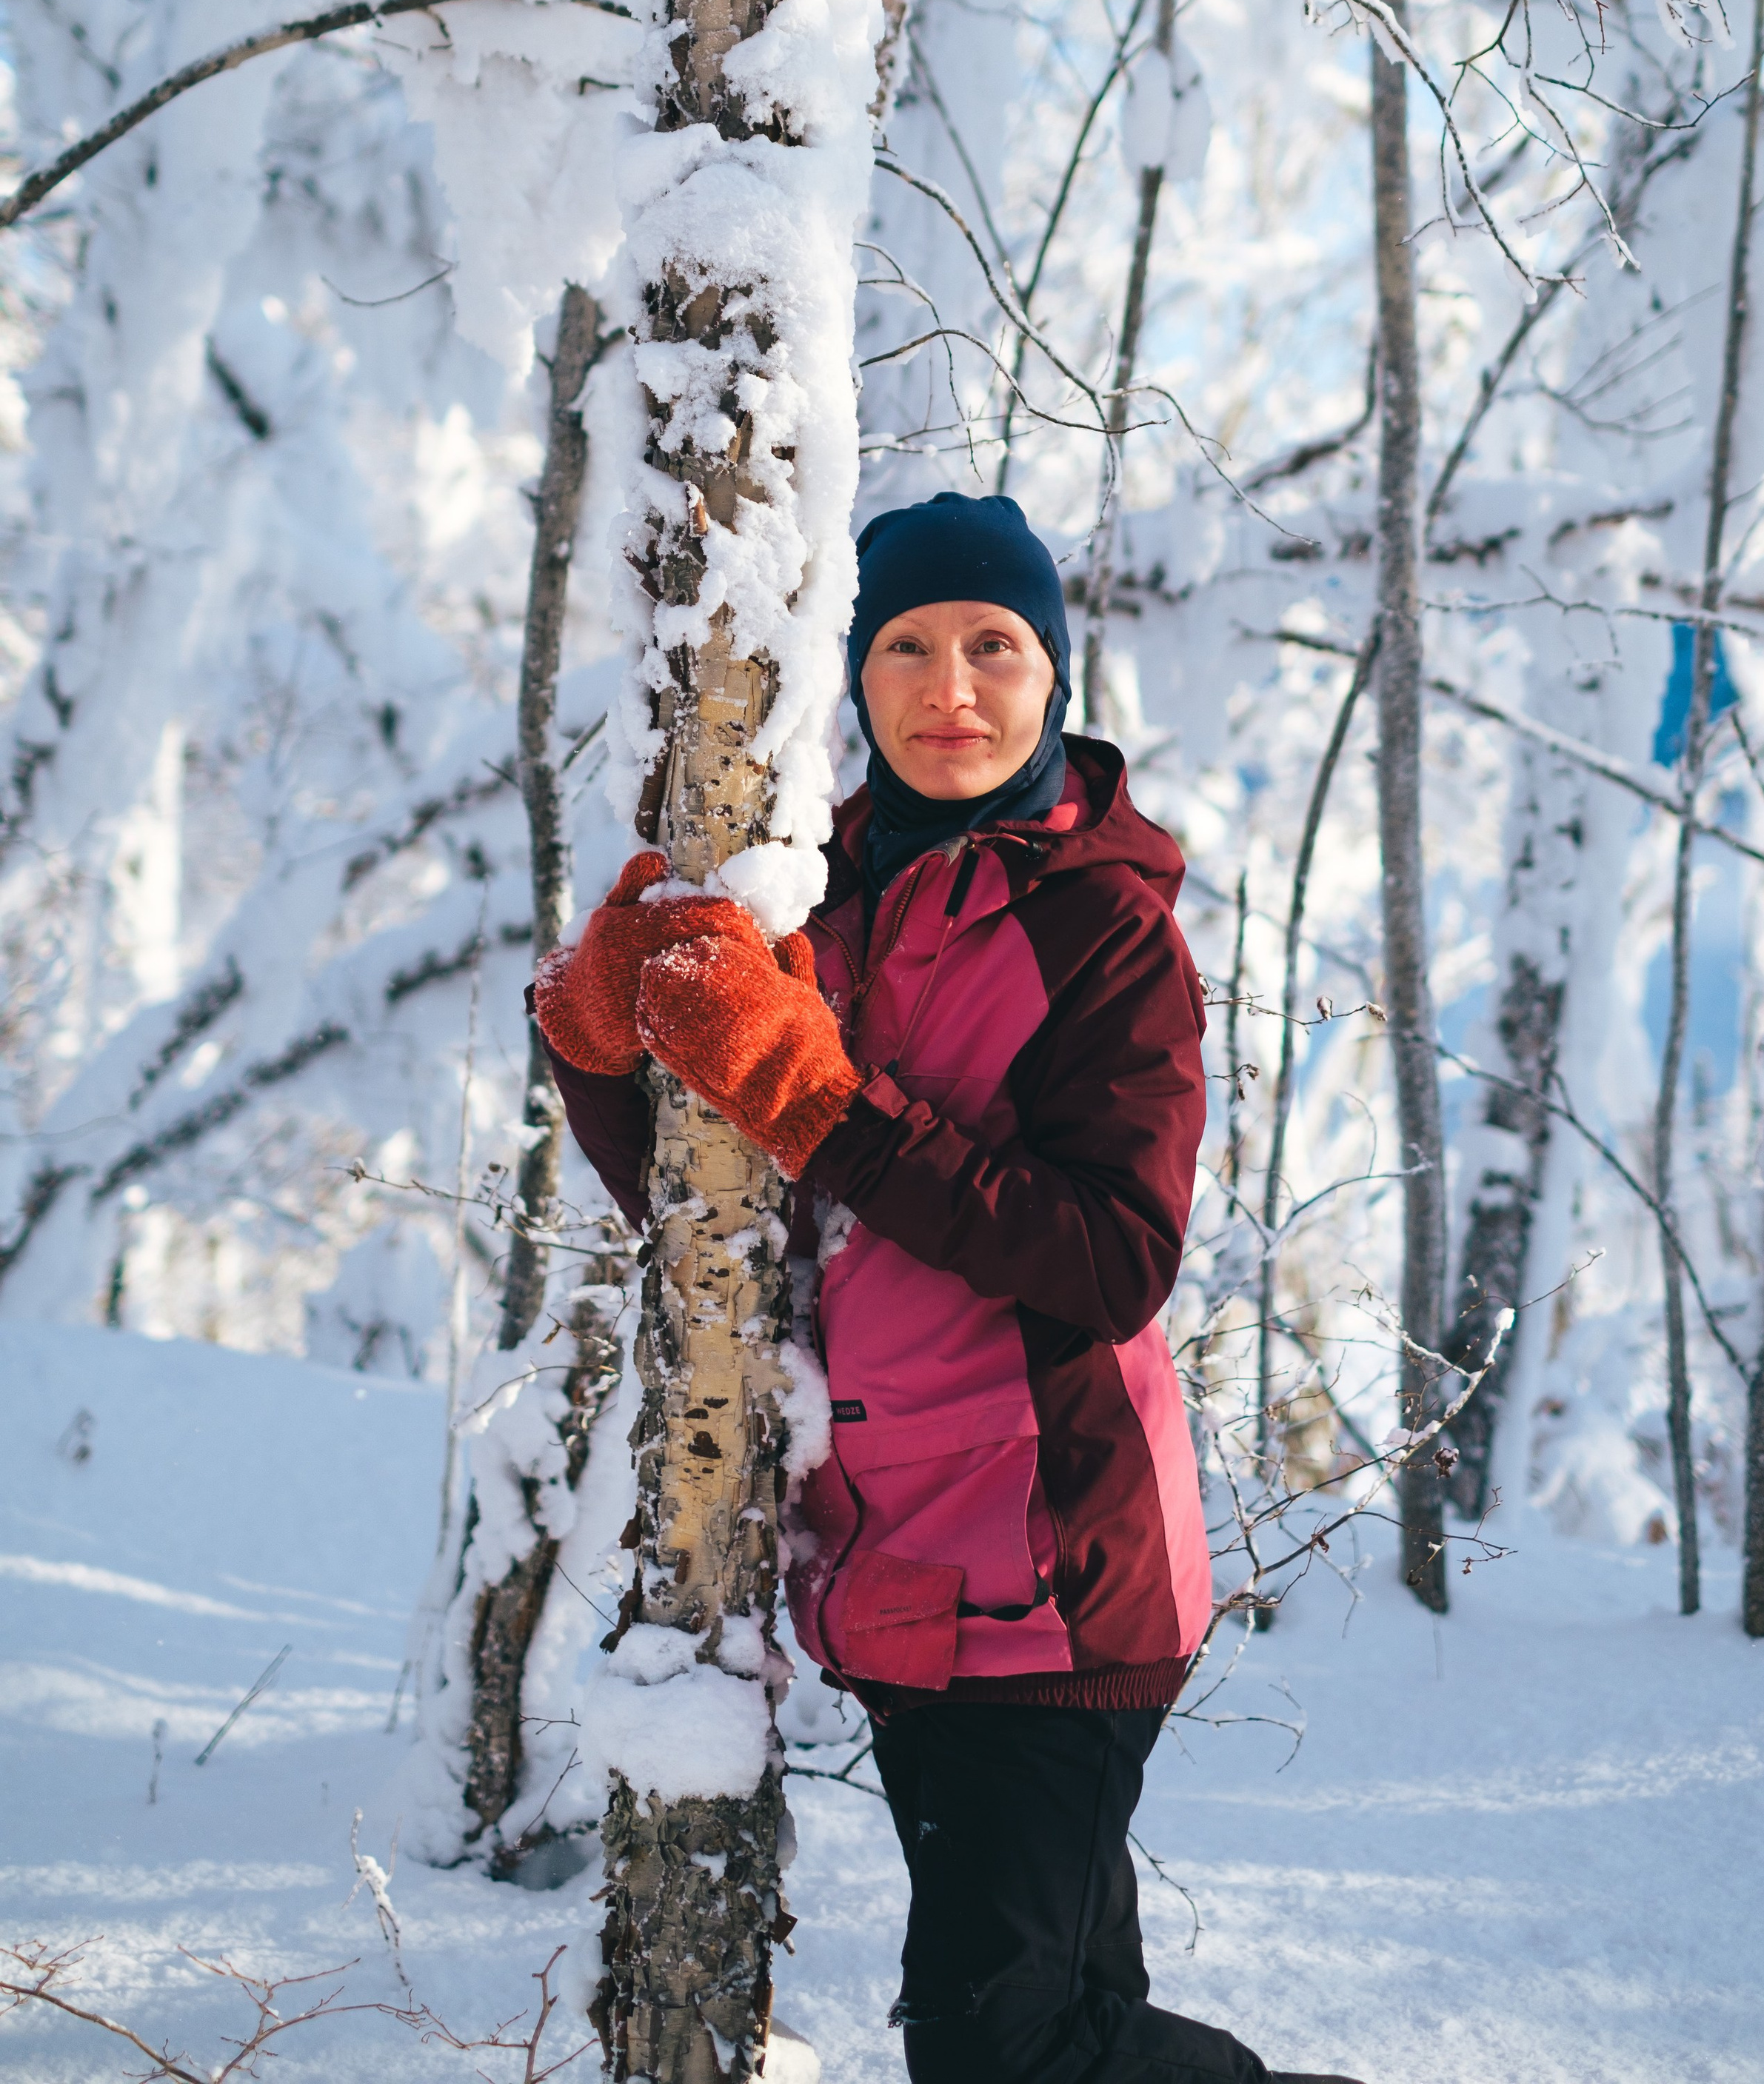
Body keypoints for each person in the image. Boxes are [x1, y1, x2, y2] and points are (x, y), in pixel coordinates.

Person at [535, 492, 1363, 2084]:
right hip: (904, 1577)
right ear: (854, 682)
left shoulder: (1103, 932)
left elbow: (1110, 1257)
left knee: (1002, 2049)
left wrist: (822, 1104)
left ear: (1053, 672)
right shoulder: (809, 901)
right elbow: (733, 1239)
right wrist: (593, 1058)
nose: (950, 686)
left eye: (994, 645)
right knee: (1065, 2020)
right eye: (905, 648)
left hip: (1057, 1582)